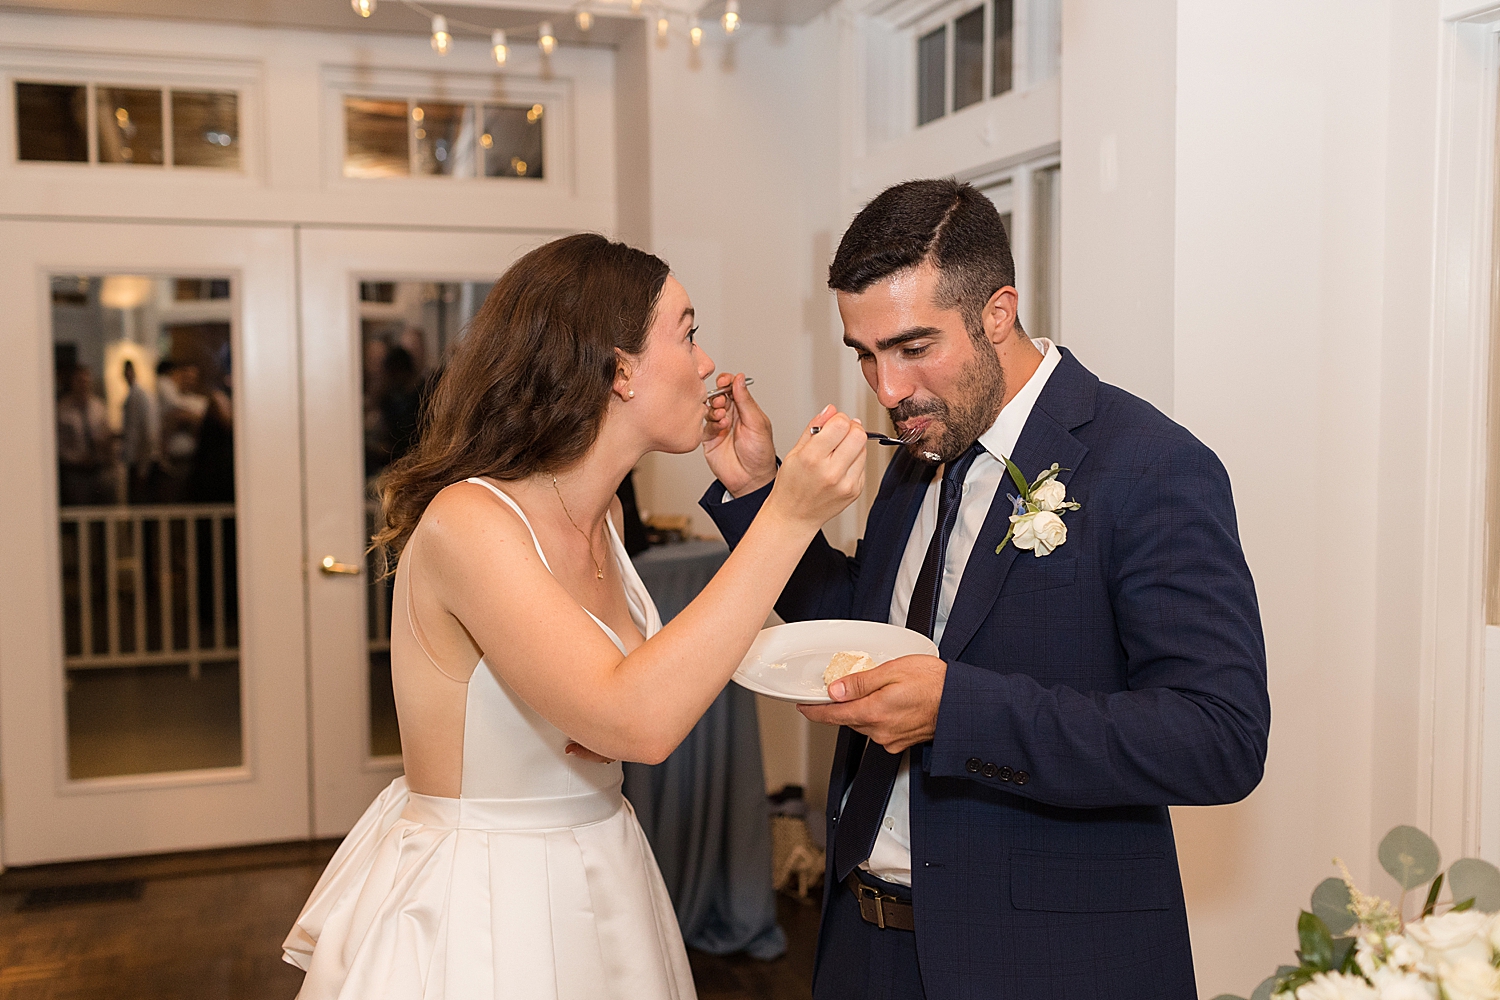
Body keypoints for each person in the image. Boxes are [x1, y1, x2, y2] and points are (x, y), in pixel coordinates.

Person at [699, 179, 1271, 1000]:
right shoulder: (920, 445)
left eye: (911, 347)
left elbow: (1218, 737)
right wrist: (760, 496)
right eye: (864, 354)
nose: (887, 390)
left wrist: (955, 711)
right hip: (865, 946)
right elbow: (869, 631)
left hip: (1045, 963)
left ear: (997, 312)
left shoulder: (1148, 464)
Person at [282, 233, 869, 999]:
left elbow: (641, 687)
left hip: (602, 867)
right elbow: (637, 720)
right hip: (489, 901)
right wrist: (785, 520)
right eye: (687, 333)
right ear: (619, 368)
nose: (704, 363)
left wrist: (762, 498)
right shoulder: (471, 522)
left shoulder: (607, 526)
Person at [55, 365, 115, 506]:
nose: (83, 385)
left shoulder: (99, 407)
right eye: (79, 381)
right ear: (72, 383)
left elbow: (106, 433)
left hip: (99, 468)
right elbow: (59, 444)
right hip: (76, 472)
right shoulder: (63, 410)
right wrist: (76, 458)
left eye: (86, 381)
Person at [119, 359, 160, 504]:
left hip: (141, 461)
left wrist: (144, 466)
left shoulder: (141, 396)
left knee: (142, 506)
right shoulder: (132, 396)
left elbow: (148, 433)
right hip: (135, 459)